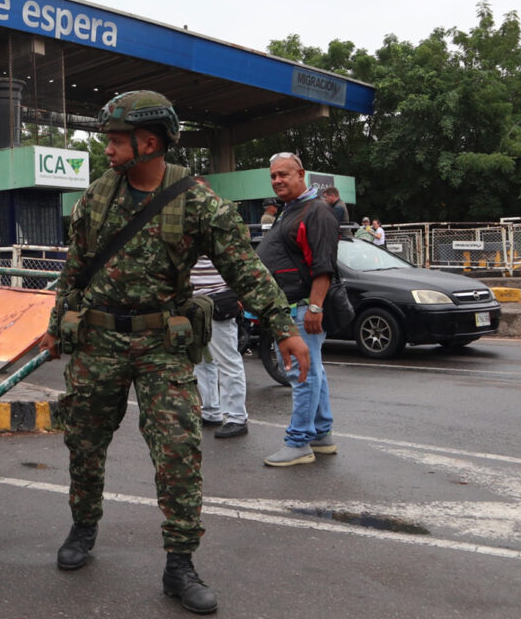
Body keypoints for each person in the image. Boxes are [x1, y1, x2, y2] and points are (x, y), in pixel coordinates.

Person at [37, 91, 308, 615]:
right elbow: (74, 269)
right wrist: (54, 327)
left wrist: (282, 328)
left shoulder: (198, 202)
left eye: (117, 141)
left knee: (180, 452)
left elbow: (245, 270)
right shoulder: (97, 196)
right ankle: (83, 527)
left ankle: (179, 564)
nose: (109, 150)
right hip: (98, 342)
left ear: (150, 142)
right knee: (85, 443)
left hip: (162, 346)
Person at [255, 152, 340, 467]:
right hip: (293, 307)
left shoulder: (316, 211)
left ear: (301, 173)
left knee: (302, 374)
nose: (277, 180)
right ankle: (321, 434)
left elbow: (324, 266)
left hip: (302, 308)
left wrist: (315, 307)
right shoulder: (292, 210)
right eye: (273, 176)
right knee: (313, 371)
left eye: (283, 174)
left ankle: (299, 442)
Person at [191, 255, 249, 438]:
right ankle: (210, 411)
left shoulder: (219, 230)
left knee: (226, 361)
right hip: (194, 302)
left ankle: (236, 417)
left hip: (217, 299)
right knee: (200, 360)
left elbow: (239, 261)